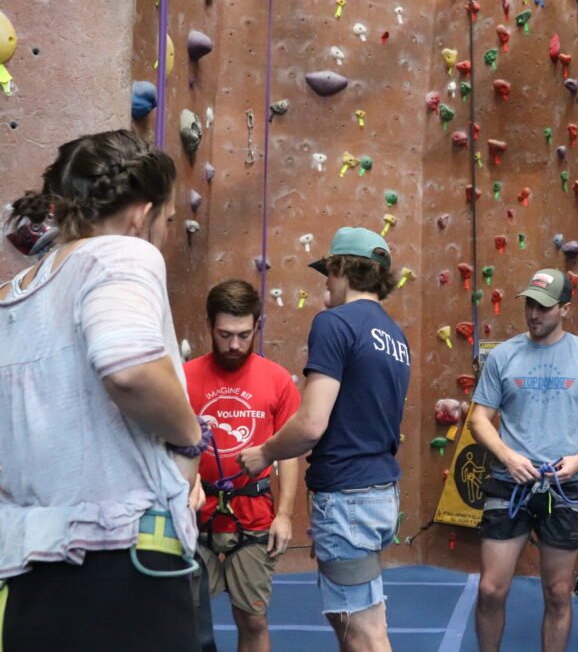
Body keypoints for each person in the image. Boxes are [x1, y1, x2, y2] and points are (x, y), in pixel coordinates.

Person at [0, 129, 206, 651]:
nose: (162, 233)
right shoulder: (119, 255)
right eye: (164, 219)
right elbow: (129, 369)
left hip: (32, 567)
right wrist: (189, 438)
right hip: (124, 561)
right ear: (141, 212)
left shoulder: (14, 293)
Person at [238, 226, 410, 652]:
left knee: (365, 634)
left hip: (349, 497)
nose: (326, 285)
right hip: (376, 493)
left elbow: (312, 423)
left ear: (341, 270)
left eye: (328, 274)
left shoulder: (334, 324)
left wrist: (264, 452)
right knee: (351, 620)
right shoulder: (395, 337)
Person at [469, 268, 578, 652]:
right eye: (530, 304)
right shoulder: (503, 355)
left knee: (558, 592)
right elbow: (479, 419)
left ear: (566, 309)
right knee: (489, 589)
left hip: (565, 485)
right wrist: (507, 455)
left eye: (545, 307)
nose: (534, 314)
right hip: (509, 479)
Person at [186, 279, 301, 652]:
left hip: (254, 515)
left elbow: (290, 453)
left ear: (257, 326)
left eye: (243, 334)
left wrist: (284, 515)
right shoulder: (184, 377)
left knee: (253, 620)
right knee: (187, 619)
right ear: (209, 326)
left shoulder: (278, 380)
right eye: (224, 334)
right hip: (194, 516)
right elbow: (165, 442)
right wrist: (186, 483)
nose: (234, 344)